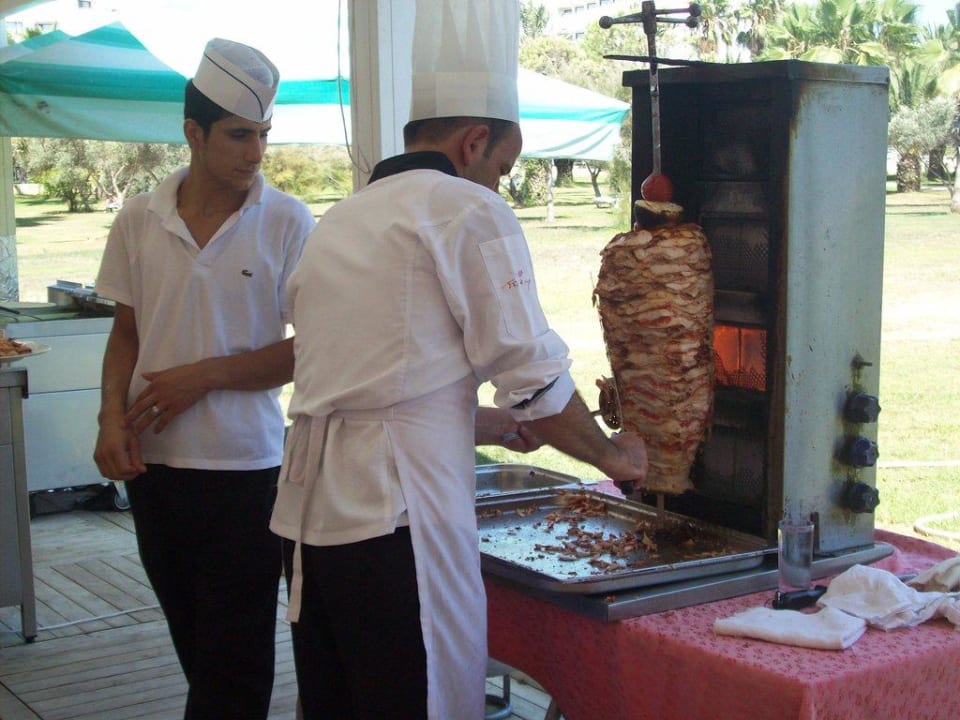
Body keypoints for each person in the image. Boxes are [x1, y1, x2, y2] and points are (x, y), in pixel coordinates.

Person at [269, 2, 648, 718]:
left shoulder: (342, 220)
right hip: (396, 524)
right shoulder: (464, 210)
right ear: (475, 142)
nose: (501, 186)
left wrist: (493, 428)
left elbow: (369, 389)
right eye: (504, 168)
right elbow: (531, 373)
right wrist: (613, 455)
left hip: (314, 529)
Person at [92, 38, 315, 720]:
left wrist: (206, 377)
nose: (255, 153)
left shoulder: (285, 220)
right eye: (239, 135)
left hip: (247, 470)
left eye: (263, 136)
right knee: (195, 643)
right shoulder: (139, 216)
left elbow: (314, 348)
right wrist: (108, 419)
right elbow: (126, 333)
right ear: (193, 133)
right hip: (153, 467)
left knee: (236, 657)